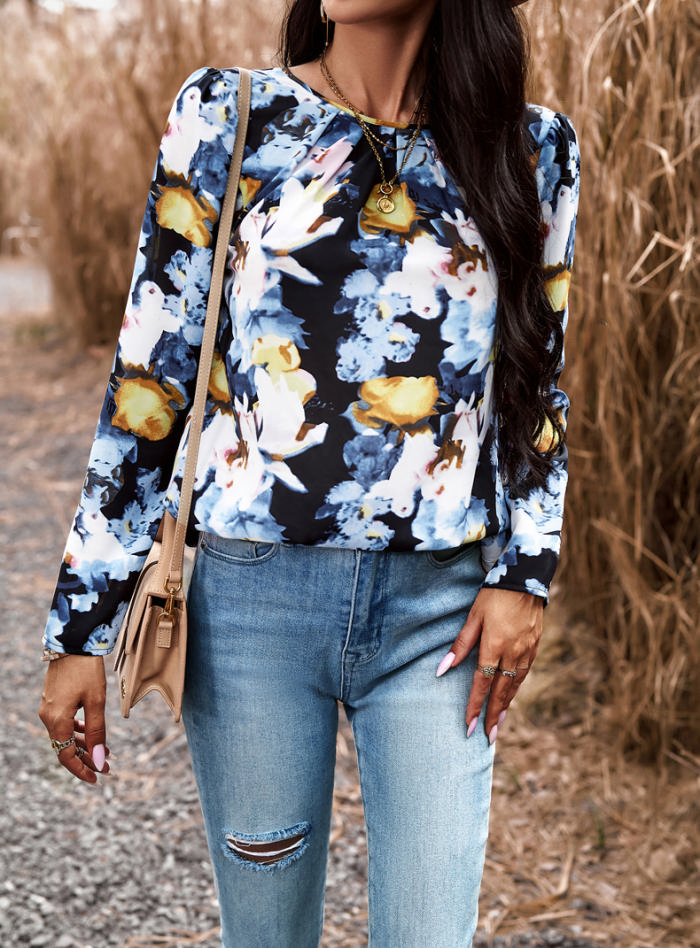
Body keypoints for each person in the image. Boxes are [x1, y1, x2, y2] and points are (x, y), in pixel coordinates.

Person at [39, 0, 580, 944]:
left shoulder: (532, 148)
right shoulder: (230, 114)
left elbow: (538, 381)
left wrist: (524, 574)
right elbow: (151, 385)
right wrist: (81, 626)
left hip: (440, 621)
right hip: (253, 614)